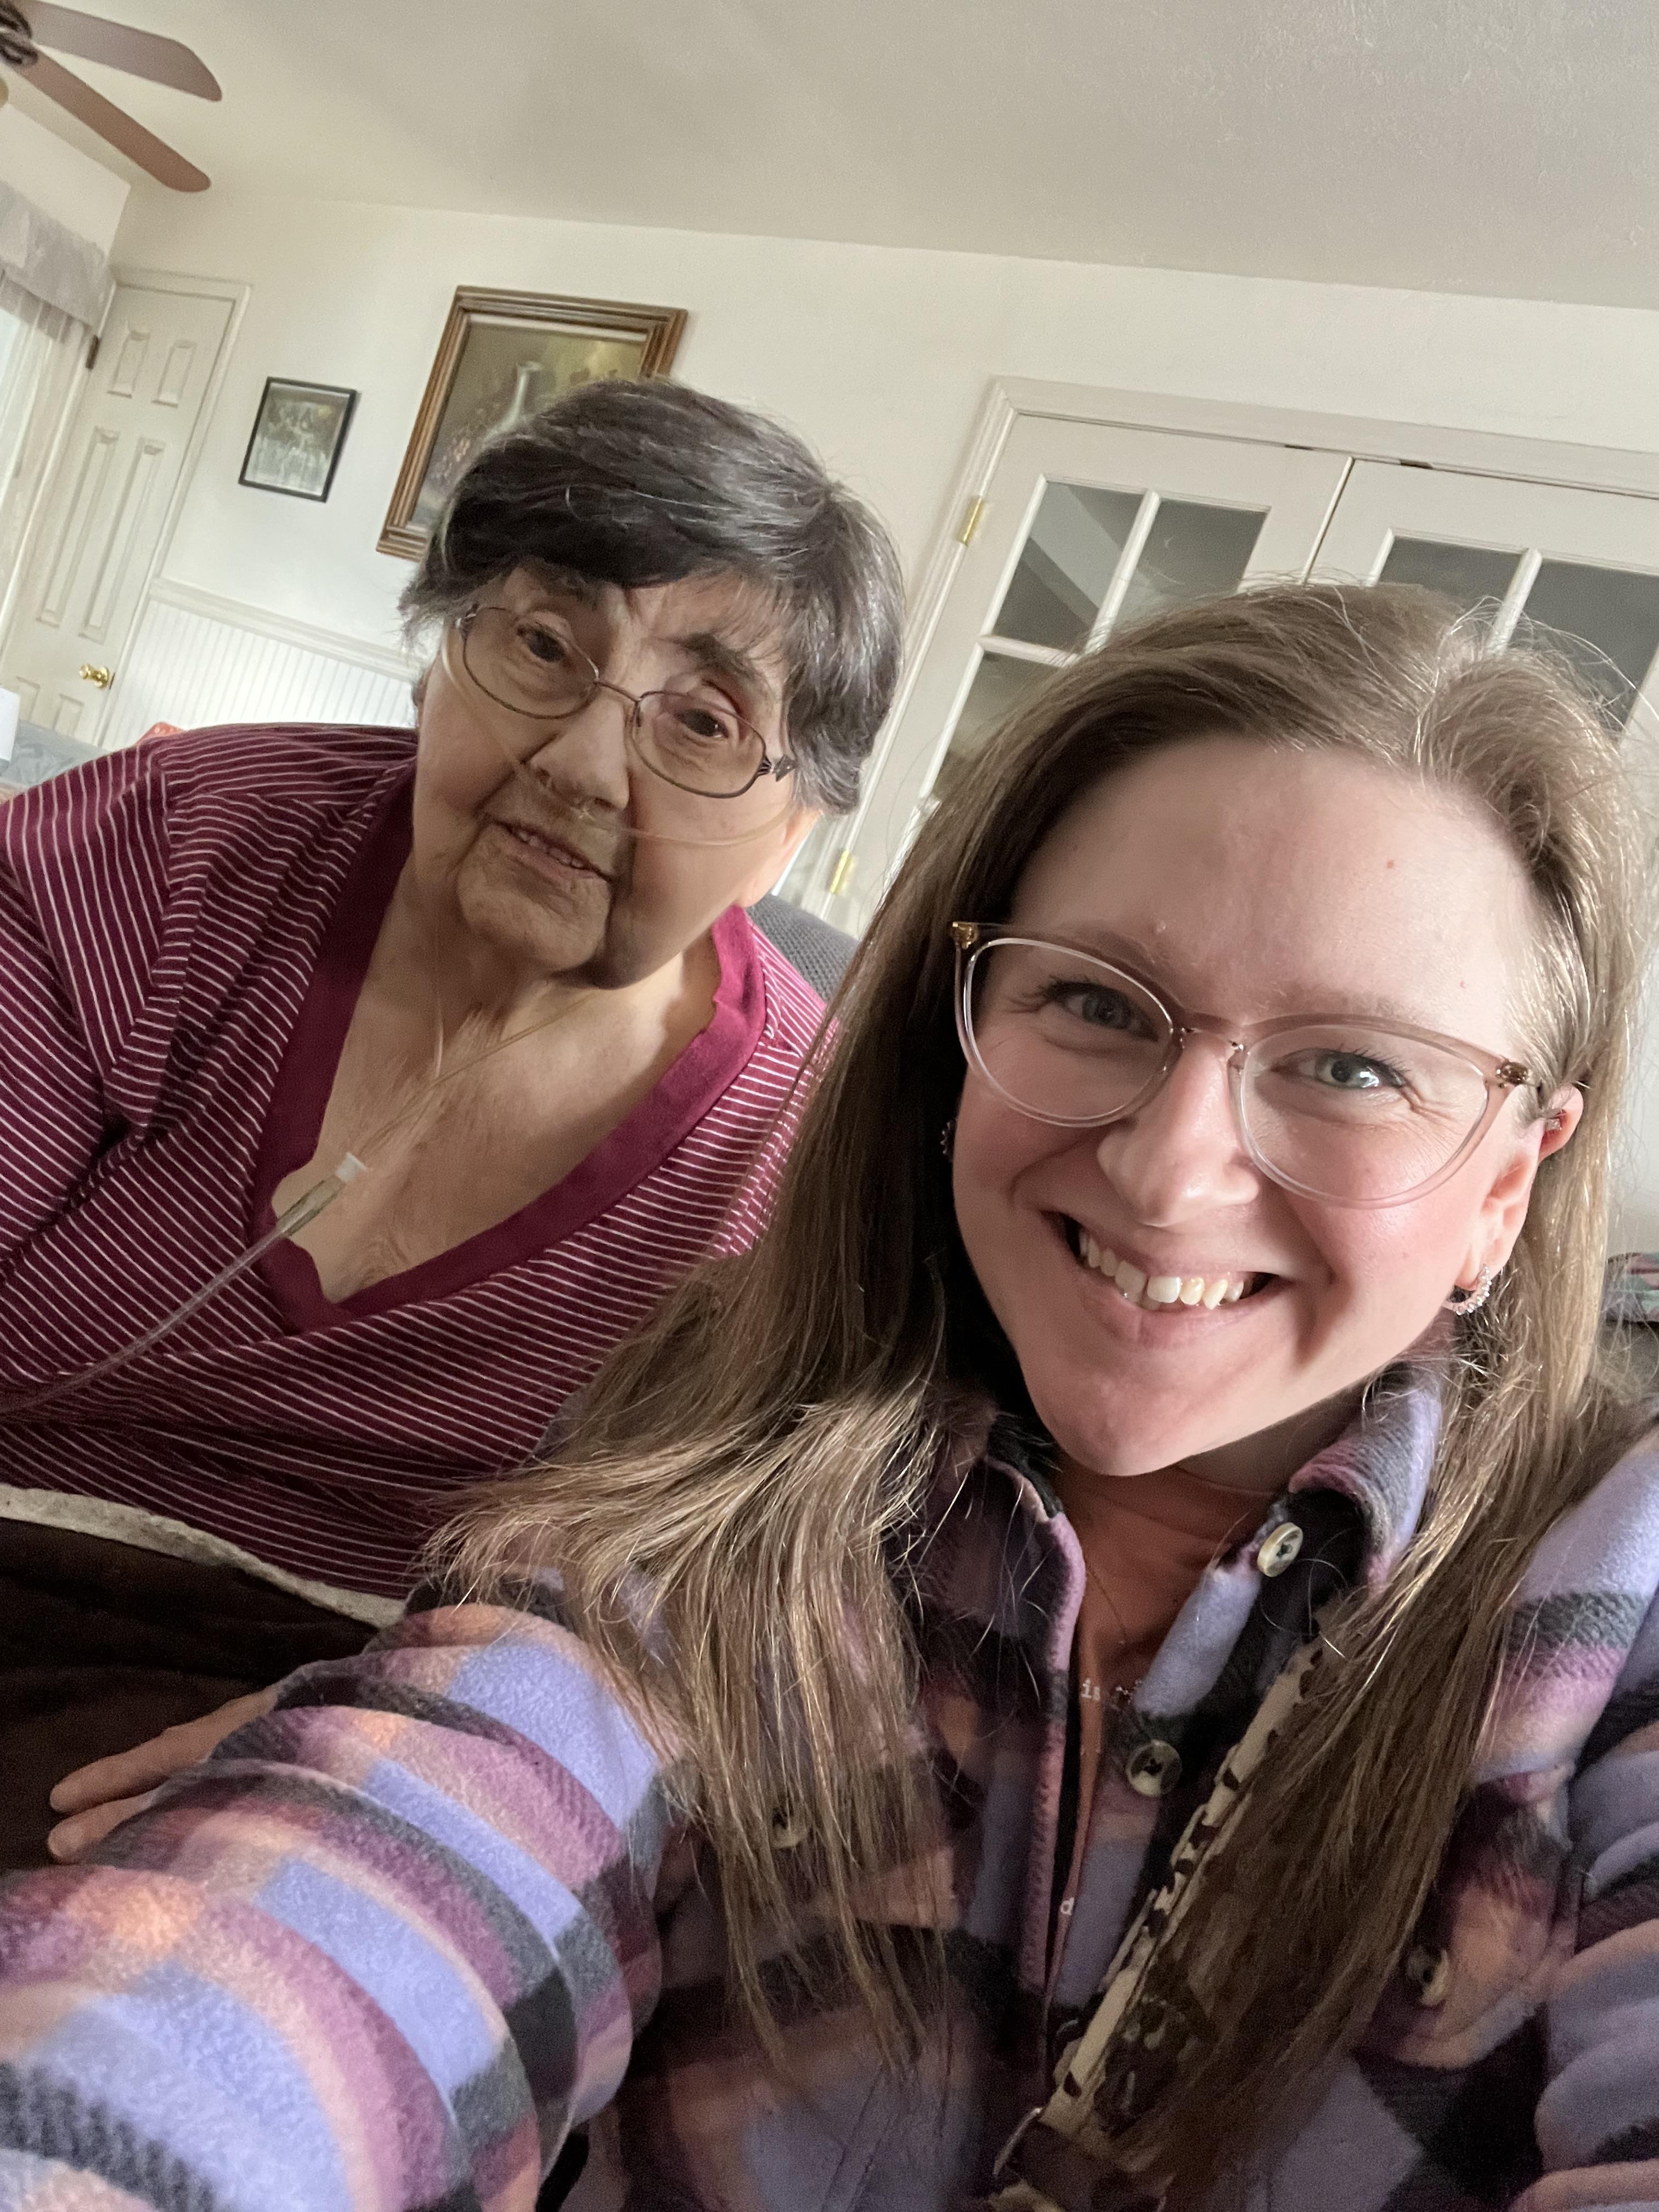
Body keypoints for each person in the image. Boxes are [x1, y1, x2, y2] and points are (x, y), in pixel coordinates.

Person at [2, 582, 1656, 2212]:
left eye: (1354, 1065)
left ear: (1511, 1180)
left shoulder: (1614, 1610)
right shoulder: (726, 1460)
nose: (1171, 1168)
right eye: (1092, 1001)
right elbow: (402, 1868)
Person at [0, 376, 901, 1869]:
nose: (583, 764)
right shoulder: (177, 852)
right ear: (439, 658)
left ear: (795, 828)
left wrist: (393, 1729)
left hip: (307, 1742)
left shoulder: (795, 1175)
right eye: (544, 644)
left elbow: (724, 1633)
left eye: (703, 720)